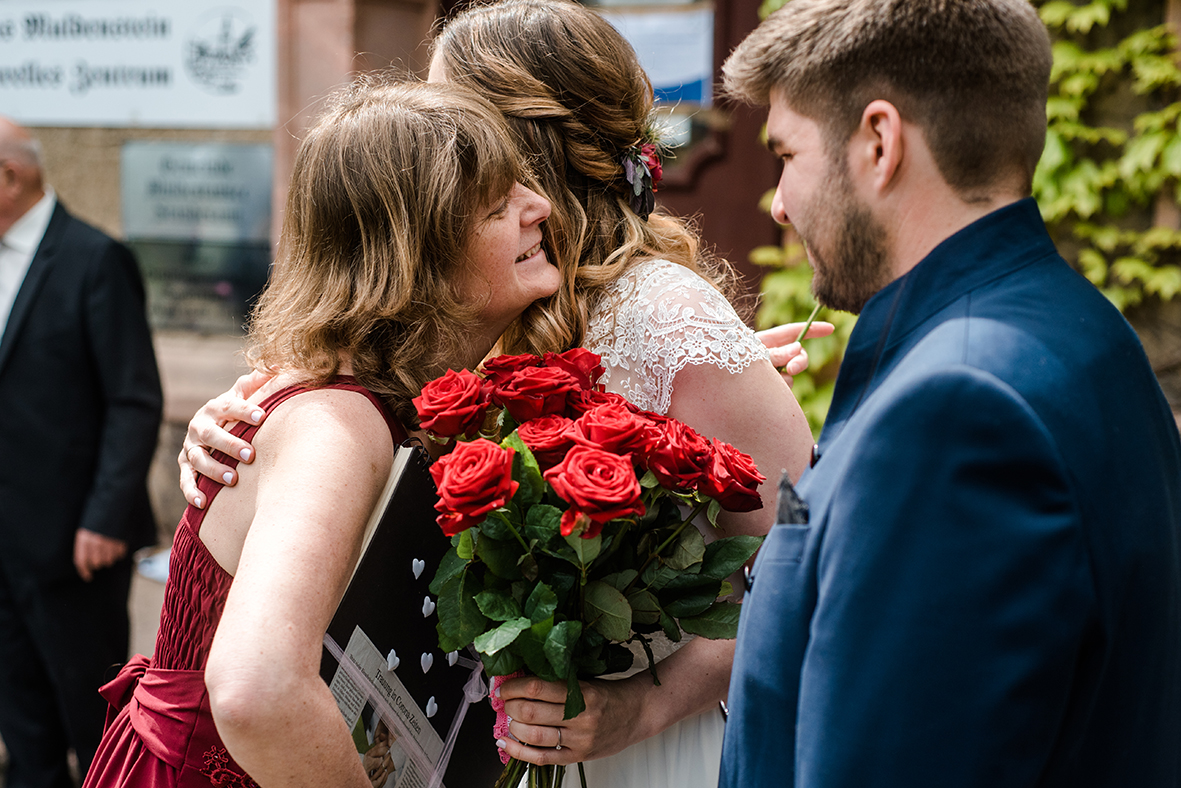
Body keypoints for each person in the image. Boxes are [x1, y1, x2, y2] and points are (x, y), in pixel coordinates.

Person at [177, 2, 827, 786]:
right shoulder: (479, 304)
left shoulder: (661, 317)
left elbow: (799, 576)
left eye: (454, 114)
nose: (428, 132)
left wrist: (641, 709)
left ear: (521, 144)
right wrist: (237, 428)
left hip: (633, 745)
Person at [718, 1, 1181, 786]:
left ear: (877, 142)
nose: (779, 203)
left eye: (787, 154)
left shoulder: (955, 412)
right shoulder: (1081, 324)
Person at [80, 76, 558, 788]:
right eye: (496, 206)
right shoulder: (334, 426)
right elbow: (256, 692)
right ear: (416, 255)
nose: (540, 207)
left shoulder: (379, 400)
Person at [0, 117, 163, 788]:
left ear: (9, 176)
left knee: (90, 723)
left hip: (76, 547)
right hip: (3, 540)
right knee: (22, 721)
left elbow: (134, 399)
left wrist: (103, 517)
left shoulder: (96, 258)